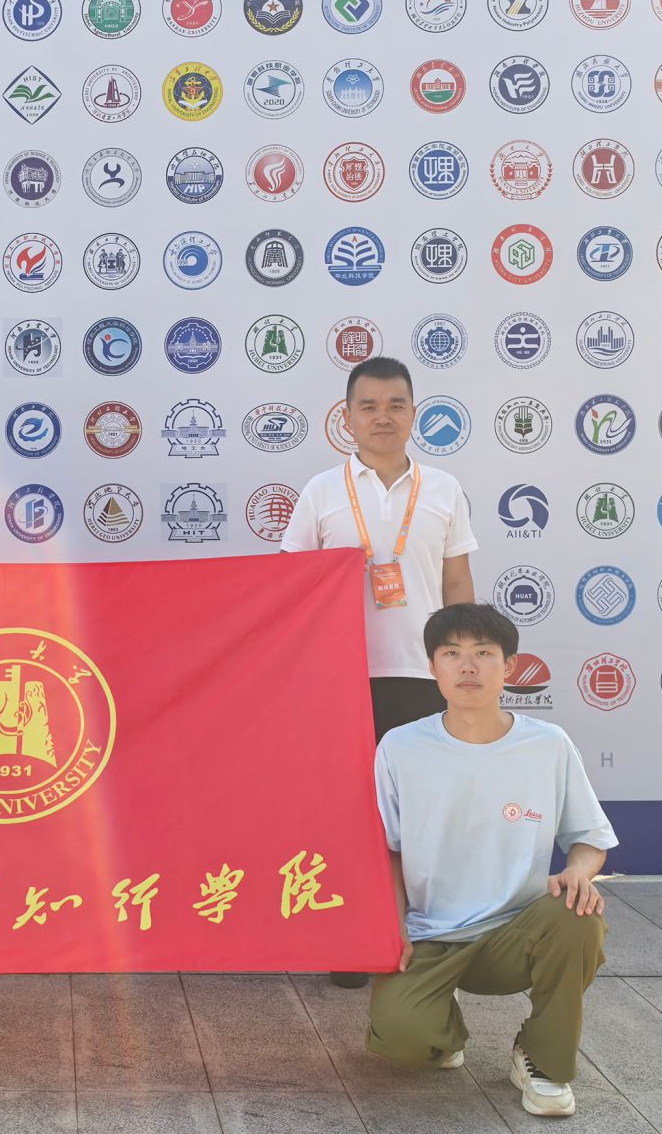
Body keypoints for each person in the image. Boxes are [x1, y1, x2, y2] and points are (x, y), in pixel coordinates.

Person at [367, 603, 616, 1118]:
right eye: (451, 653)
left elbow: (591, 839)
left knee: (579, 914)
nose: (468, 667)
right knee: (403, 1040)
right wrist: (394, 927)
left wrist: (578, 872)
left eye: (483, 653)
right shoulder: (400, 747)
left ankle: (541, 1057)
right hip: (433, 933)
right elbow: (387, 850)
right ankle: (441, 1021)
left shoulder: (547, 745)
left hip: (516, 931)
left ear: (510, 666)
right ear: (432, 667)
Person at [280, 354, 478, 986]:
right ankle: (351, 938)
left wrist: (462, 665)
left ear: (414, 414)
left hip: (421, 676)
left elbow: (456, 585)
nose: (382, 417)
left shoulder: (443, 489)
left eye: (395, 405)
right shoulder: (321, 492)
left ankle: (417, 937)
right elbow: (291, 586)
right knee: (347, 811)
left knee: (416, 813)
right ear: (347, 417)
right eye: (368, 406)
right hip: (342, 678)